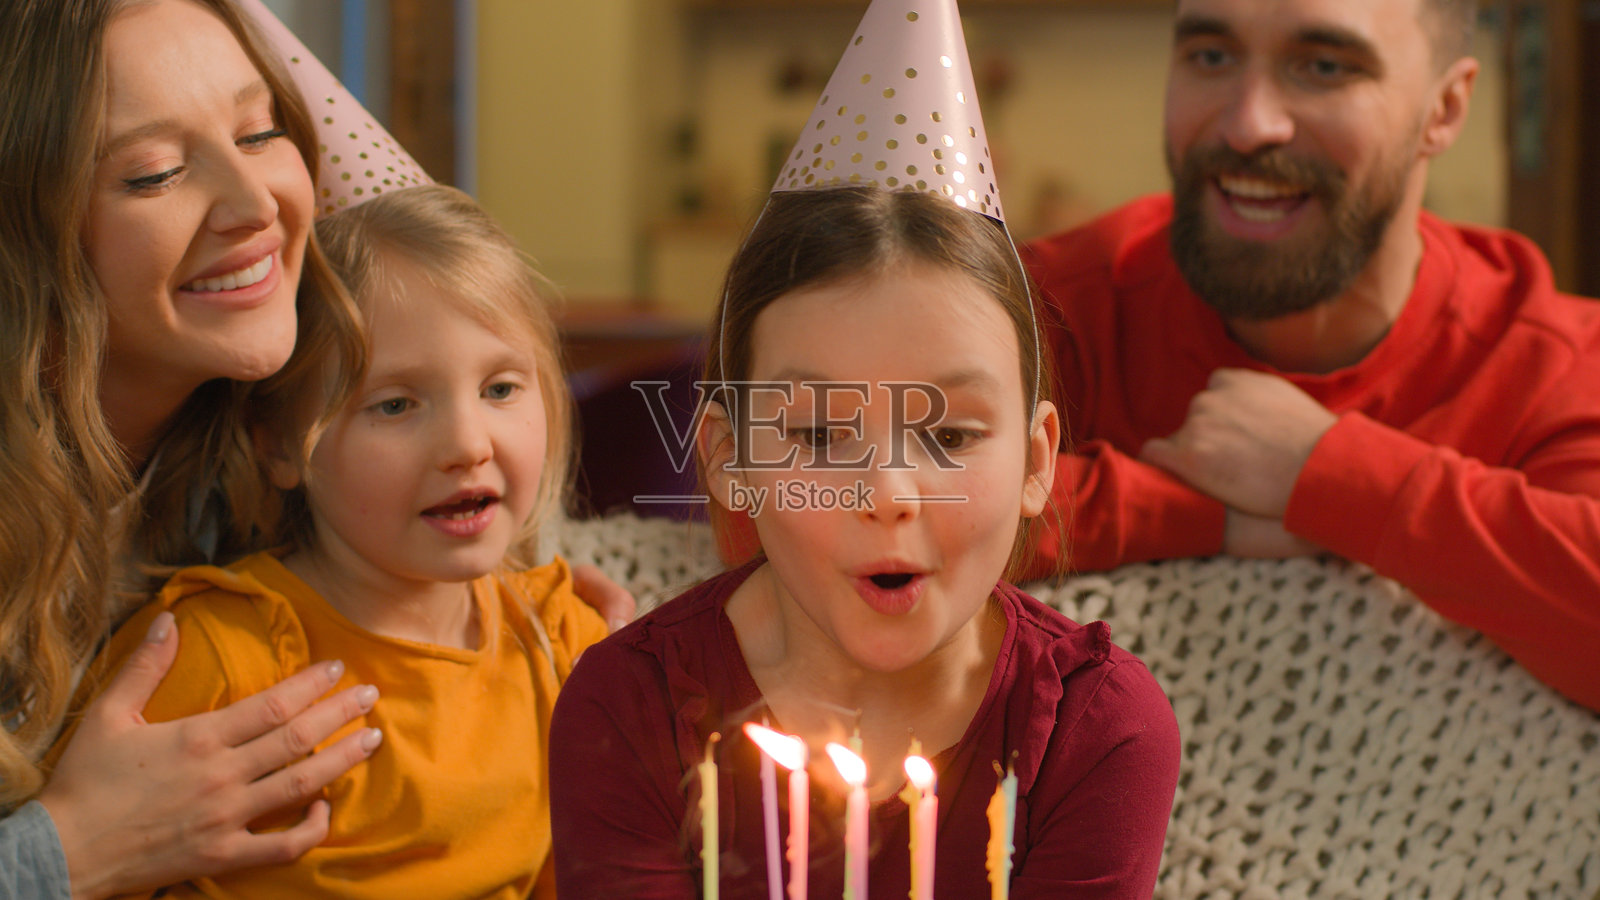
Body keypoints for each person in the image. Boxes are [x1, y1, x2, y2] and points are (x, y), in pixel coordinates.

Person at [550, 184, 1180, 898]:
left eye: (948, 436)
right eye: (818, 435)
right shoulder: (629, 707)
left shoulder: (1094, 730)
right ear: (729, 459)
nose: (886, 495)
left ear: (1037, 462)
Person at [1016, 0, 1600, 711]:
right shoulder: (1053, 305)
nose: (1248, 123)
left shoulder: (1553, 361)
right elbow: (874, 499)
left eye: (1324, 67)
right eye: (1211, 55)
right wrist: (1205, 513)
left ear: (1444, 109)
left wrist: (1328, 472)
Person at [52, 184, 608, 898]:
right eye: (396, 404)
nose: (468, 445)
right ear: (280, 446)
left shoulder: (564, 643)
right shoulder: (217, 659)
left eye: (501, 389)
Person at [1, 2, 384, 896]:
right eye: (155, 174)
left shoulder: (266, 455)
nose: (256, 206)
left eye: (258, 133)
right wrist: (72, 850)